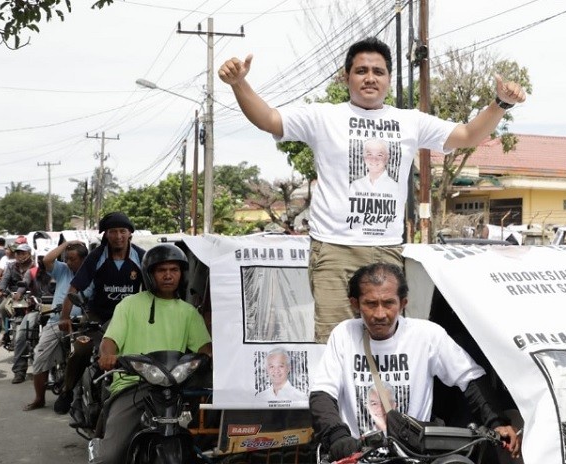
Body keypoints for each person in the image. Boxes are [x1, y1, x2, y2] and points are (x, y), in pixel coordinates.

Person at [219, 37, 526, 343]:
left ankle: (381, 395)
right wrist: (239, 84)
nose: (370, 78)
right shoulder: (324, 116)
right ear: (346, 76)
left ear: (389, 79)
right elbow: (269, 119)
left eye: (378, 72)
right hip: (333, 250)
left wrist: (500, 104)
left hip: (386, 250)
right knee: (334, 345)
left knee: (386, 344)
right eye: (361, 70)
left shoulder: (409, 121)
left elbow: (468, 134)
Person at [309, 262, 520, 460]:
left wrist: (497, 421)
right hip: (358, 456)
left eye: (389, 303)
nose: (380, 314)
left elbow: (469, 377)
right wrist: (338, 438)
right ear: (355, 304)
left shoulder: (427, 335)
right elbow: (323, 393)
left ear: (403, 303)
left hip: (413, 456)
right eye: (371, 304)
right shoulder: (343, 334)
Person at [90, 243, 212, 464]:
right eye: (161, 270)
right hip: (132, 386)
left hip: (174, 390)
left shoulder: (189, 313)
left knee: (205, 448)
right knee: (109, 457)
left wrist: (210, 357)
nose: (168, 276)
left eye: (173, 270)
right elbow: (109, 342)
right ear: (149, 274)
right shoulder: (129, 305)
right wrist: (107, 355)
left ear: (181, 274)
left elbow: (204, 349)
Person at [54, 212, 146, 415]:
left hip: (130, 320)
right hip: (97, 318)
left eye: (123, 231)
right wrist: (64, 316)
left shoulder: (141, 256)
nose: (119, 236)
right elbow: (74, 288)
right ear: (106, 235)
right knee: (81, 350)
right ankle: (67, 390)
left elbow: (153, 291)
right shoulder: (97, 257)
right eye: (113, 232)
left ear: (130, 233)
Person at [23, 241, 88, 411]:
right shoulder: (63, 271)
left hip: (82, 324)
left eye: (72, 259)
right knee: (40, 357)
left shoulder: (92, 274)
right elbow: (47, 260)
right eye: (66, 259)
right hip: (56, 322)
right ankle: (39, 398)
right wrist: (66, 244)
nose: (68, 262)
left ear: (83, 259)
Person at [0, 243, 36, 383]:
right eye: (18, 253)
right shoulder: (11, 266)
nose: (20, 256)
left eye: (23, 253)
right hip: (14, 298)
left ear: (29, 254)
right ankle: (6, 331)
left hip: (32, 300)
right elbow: (4, 282)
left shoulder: (35, 267)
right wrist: (3, 290)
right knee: (1, 309)